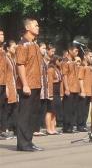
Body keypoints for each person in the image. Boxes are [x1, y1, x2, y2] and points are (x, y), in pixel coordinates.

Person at [15, 17, 44, 151]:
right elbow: (20, 65)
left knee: (33, 114)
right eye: (35, 25)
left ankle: (29, 141)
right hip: (27, 86)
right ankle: (22, 144)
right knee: (25, 114)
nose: (38, 27)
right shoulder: (22, 45)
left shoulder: (34, 44)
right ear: (28, 28)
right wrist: (25, 84)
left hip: (36, 84)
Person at [61, 44, 80, 133]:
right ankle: (66, 127)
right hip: (69, 88)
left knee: (73, 108)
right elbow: (64, 75)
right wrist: (66, 88)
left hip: (76, 87)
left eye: (77, 51)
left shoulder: (74, 61)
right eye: (75, 51)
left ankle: (71, 126)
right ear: (70, 50)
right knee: (67, 109)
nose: (77, 52)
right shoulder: (65, 61)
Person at [3, 40, 18, 139]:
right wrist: (6, 88)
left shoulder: (12, 58)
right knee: (6, 109)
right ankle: (5, 130)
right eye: (13, 47)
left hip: (14, 87)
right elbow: (3, 74)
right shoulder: (4, 58)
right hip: (8, 86)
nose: (15, 49)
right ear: (8, 48)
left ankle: (13, 128)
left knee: (14, 108)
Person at [33, 42, 49, 137]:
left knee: (42, 109)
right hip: (38, 88)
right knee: (36, 109)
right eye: (43, 48)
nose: (45, 50)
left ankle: (38, 128)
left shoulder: (43, 60)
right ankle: (34, 128)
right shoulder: (36, 59)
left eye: (45, 48)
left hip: (44, 89)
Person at [77, 50, 92, 132]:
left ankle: (83, 124)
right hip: (84, 91)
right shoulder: (82, 67)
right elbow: (80, 79)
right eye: (90, 56)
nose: (91, 58)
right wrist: (82, 90)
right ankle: (79, 125)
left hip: (89, 91)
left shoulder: (90, 67)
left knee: (86, 110)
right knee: (81, 109)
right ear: (85, 56)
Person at [46, 55, 63, 135]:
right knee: (50, 111)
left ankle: (53, 128)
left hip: (57, 92)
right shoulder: (51, 69)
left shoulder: (58, 69)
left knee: (55, 111)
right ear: (55, 61)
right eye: (59, 61)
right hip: (52, 91)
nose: (61, 62)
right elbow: (49, 82)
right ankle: (48, 129)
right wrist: (50, 94)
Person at [0, 29, 9, 140]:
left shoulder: (3, 51)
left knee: (1, 107)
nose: (2, 36)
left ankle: (1, 130)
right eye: (0, 34)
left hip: (2, 82)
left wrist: (6, 85)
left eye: (2, 34)